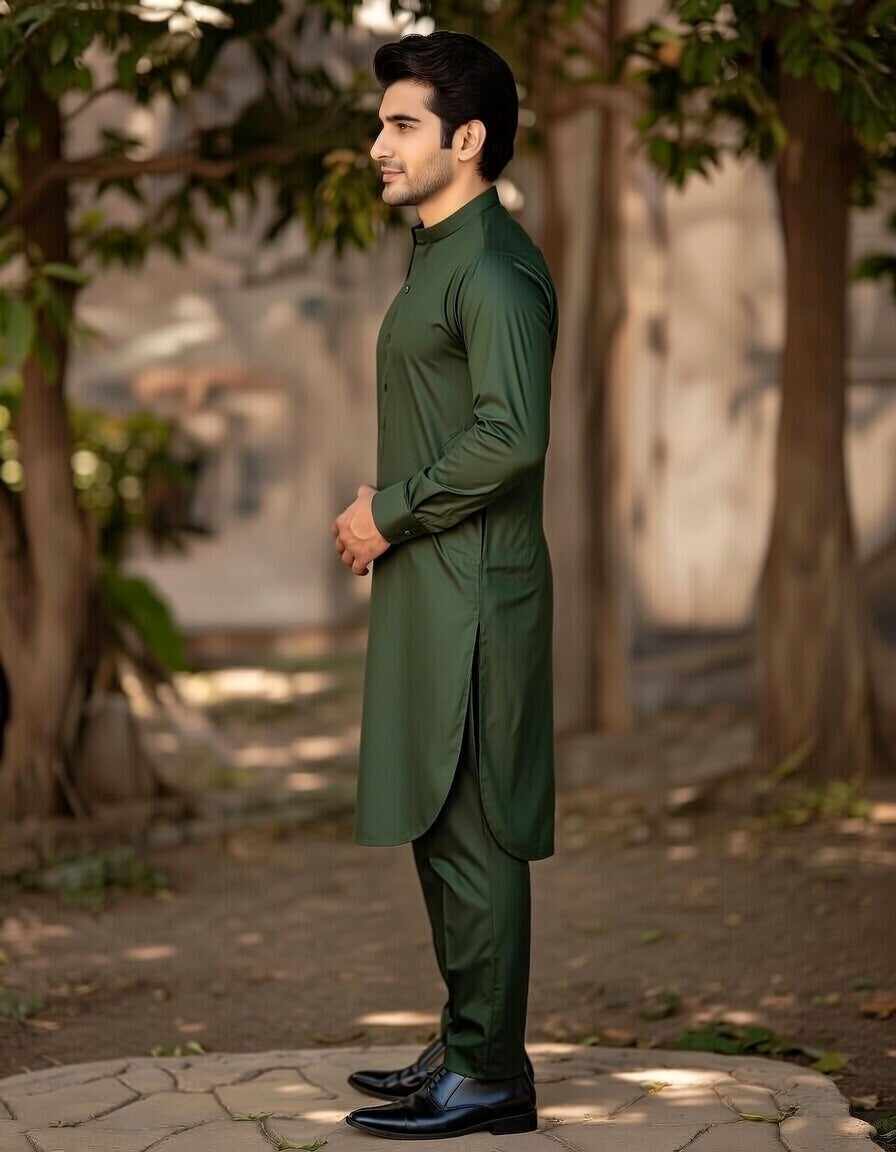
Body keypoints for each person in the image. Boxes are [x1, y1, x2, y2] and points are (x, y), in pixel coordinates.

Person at [331, 29, 557, 1141]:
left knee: (473, 825)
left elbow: (511, 437)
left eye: (400, 124)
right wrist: (393, 508)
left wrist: (390, 508)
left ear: (466, 140)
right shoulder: (438, 254)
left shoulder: (496, 269)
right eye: (383, 123)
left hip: (471, 586)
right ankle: (466, 1039)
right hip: (433, 578)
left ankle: (491, 1074)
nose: (377, 143)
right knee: (437, 821)